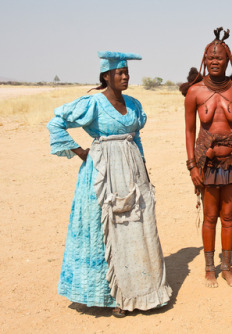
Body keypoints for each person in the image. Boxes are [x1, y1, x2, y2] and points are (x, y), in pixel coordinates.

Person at [47, 51, 172, 317]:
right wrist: (80, 151)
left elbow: (135, 137)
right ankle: (108, 296)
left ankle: (140, 291)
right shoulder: (93, 103)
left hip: (131, 169)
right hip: (102, 172)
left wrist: (144, 170)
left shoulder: (134, 104)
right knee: (104, 227)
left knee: (137, 226)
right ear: (106, 76)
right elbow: (56, 123)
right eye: (120, 73)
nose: (125, 77)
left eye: (127, 73)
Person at [182, 28, 232, 287]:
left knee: (228, 216)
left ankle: (226, 268)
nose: (215, 61)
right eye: (211, 58)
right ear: (205, 59)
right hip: (207, 162)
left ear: (228, 61)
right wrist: (192, 165)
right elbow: (190, 130)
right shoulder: (194, 92)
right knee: (210, 217)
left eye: (220, 58)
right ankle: (208, 269)